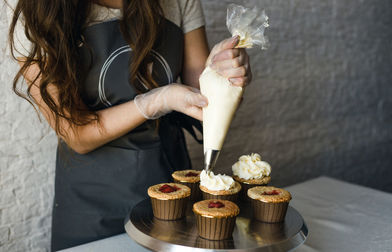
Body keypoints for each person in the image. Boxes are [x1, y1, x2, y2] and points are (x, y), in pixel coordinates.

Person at [8, 0, 251, 250]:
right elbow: (77, 134)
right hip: (89, 204)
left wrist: (224, 78)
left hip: (170, 192)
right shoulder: (39, 14)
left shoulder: (179, 2)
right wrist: (156, 101)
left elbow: (203, 104)